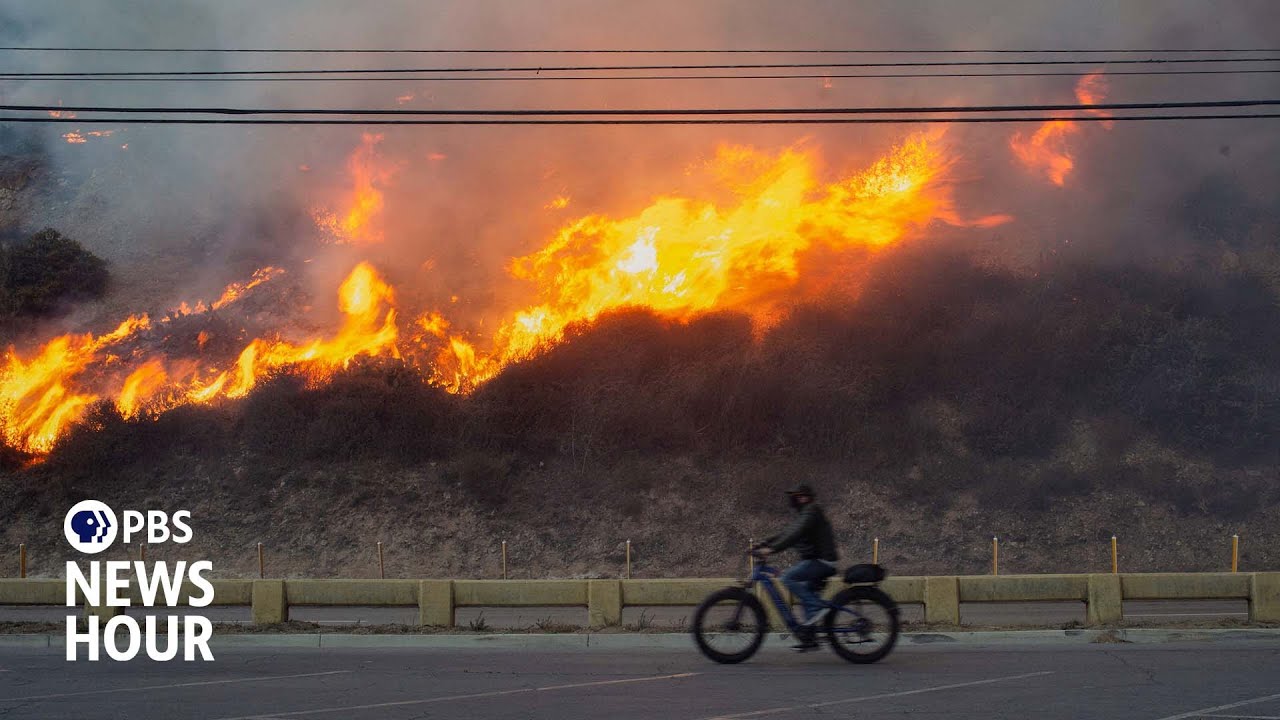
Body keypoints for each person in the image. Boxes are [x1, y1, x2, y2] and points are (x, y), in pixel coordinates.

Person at [756, 484, 838, 651]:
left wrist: (772, 549)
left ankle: (817, 606)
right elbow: (788, 532)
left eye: (797, 496)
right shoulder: (805, 513)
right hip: (816, 560)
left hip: (823, 561)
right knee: (805, 591)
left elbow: (794, 534)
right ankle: (810, 638)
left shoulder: (811, 511)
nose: (794, 500)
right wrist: (765, 542)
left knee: (788, 577)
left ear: (804, 497)